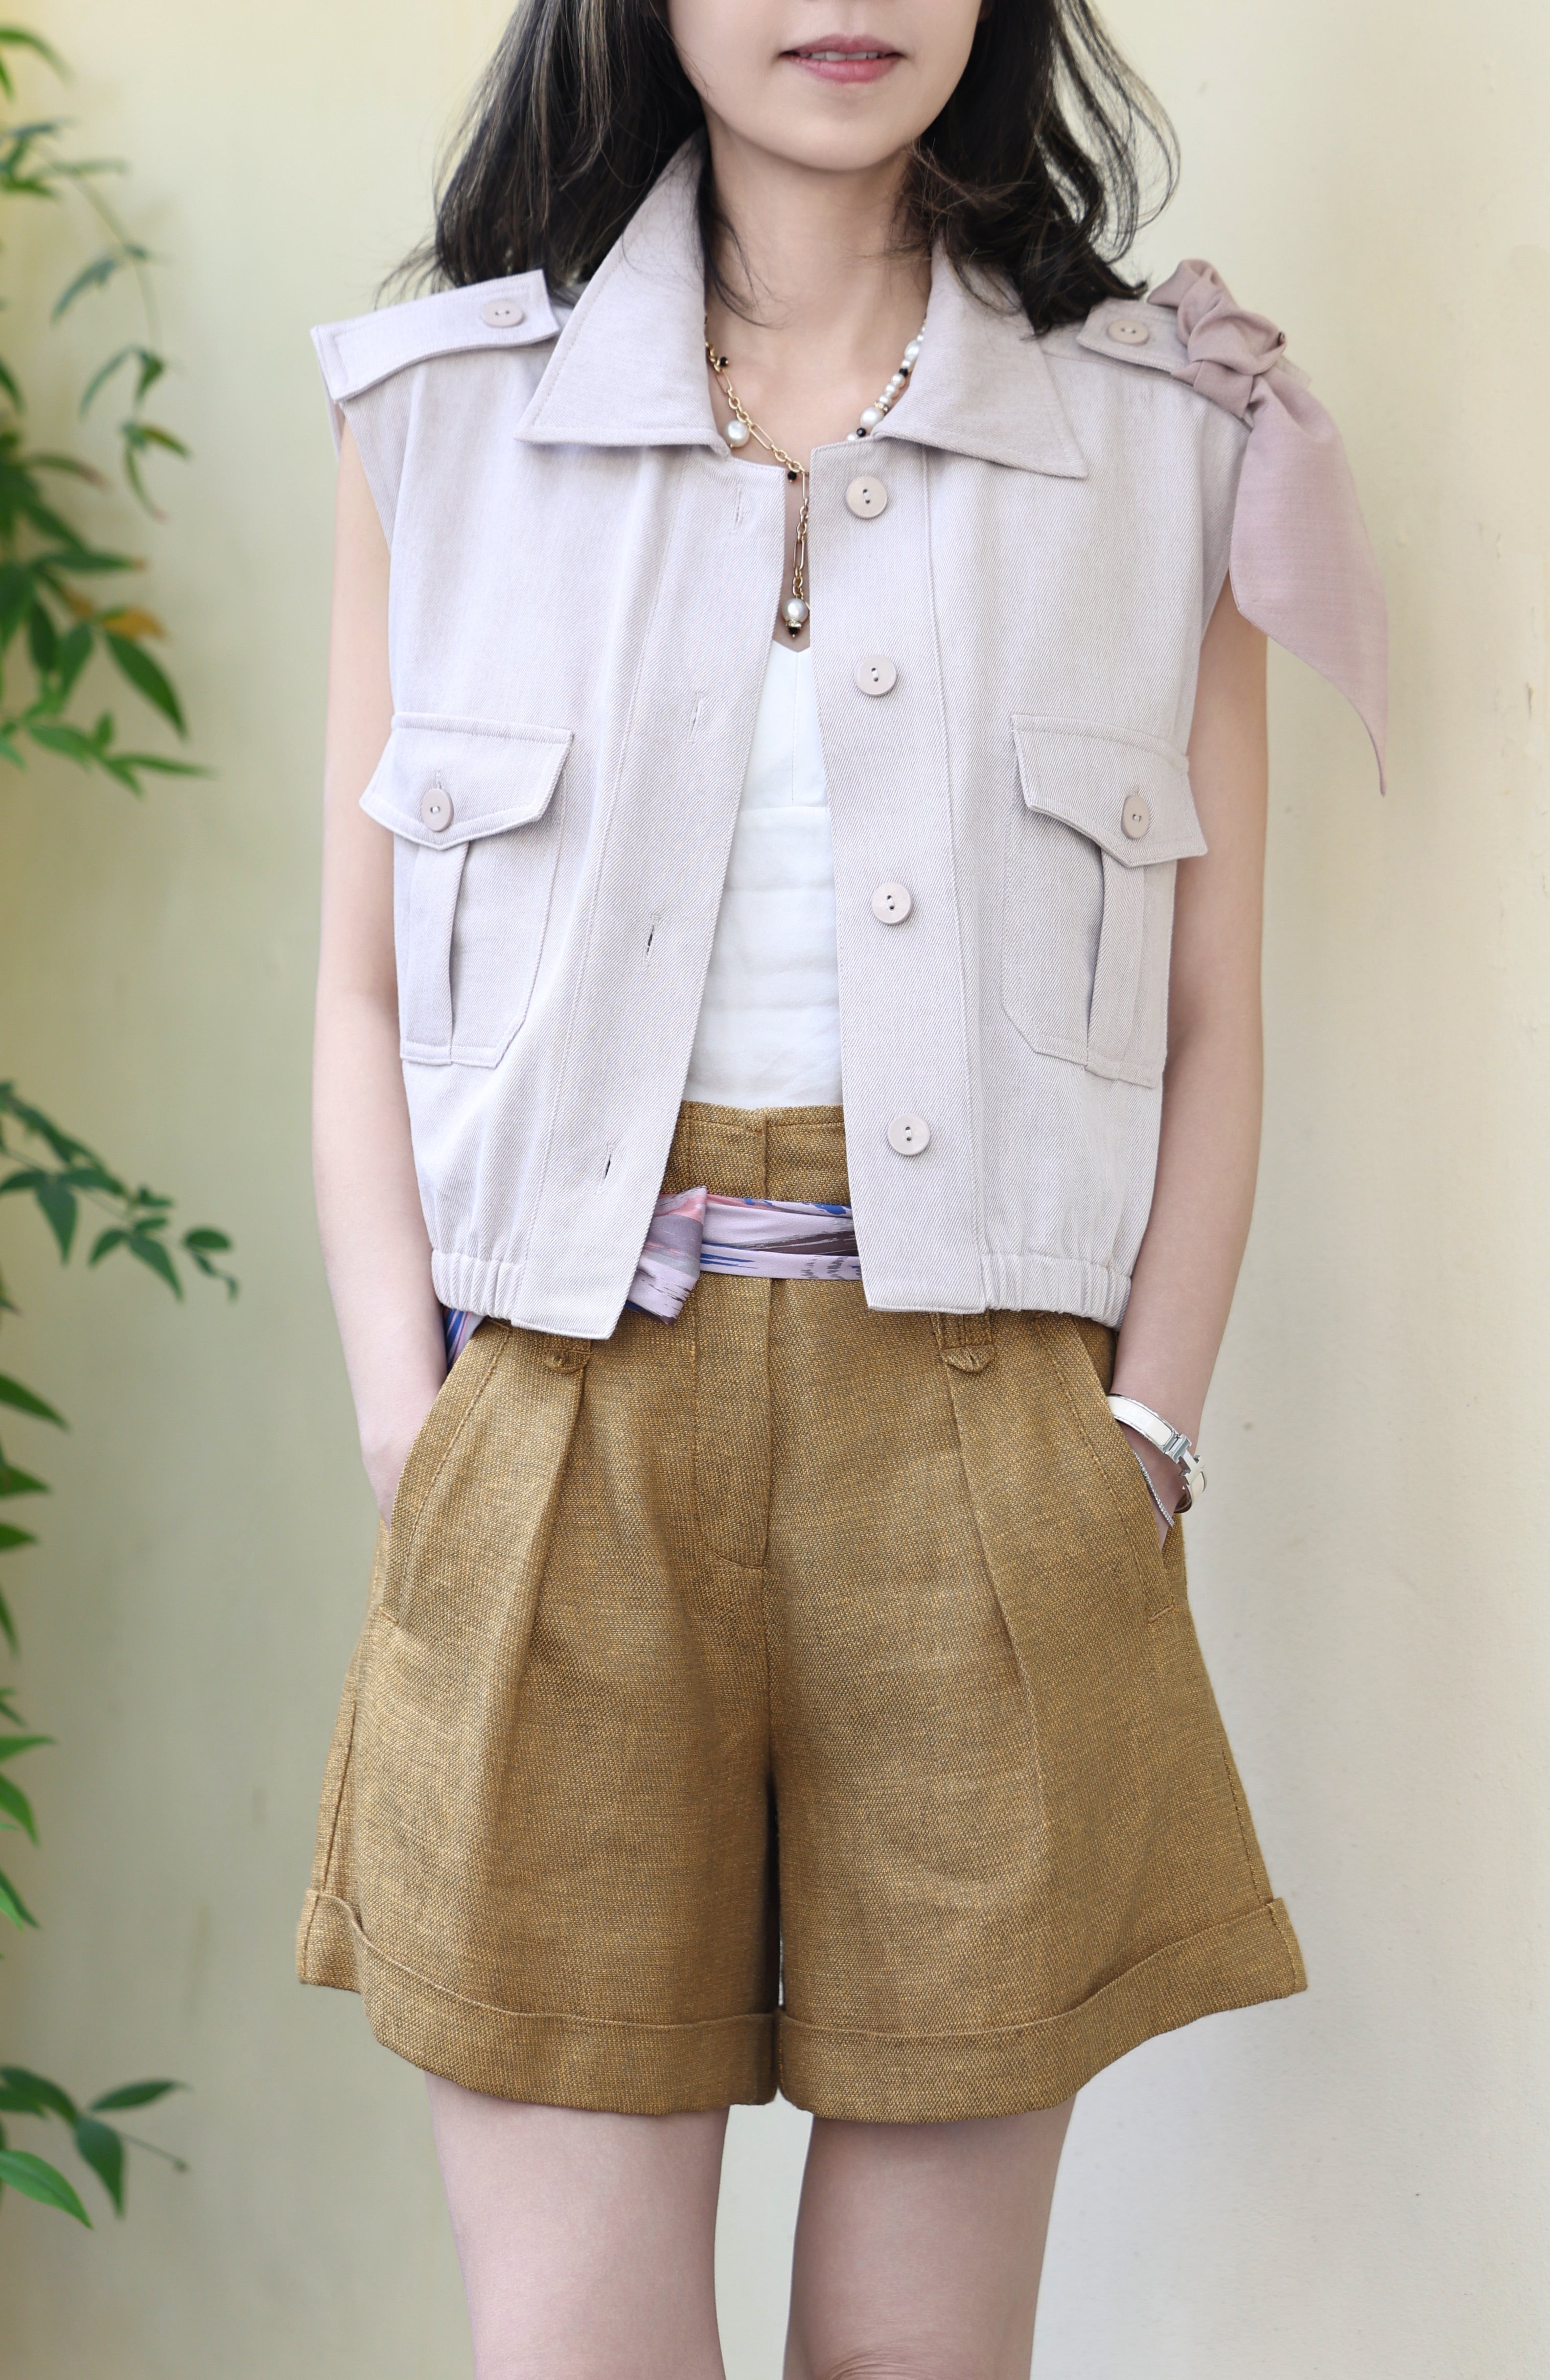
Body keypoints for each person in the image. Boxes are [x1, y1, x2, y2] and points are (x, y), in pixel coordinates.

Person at [300, 2, 1386, 2371]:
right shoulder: (441, 418)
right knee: (580, 2351)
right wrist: (416, 1420)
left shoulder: (1165, 438)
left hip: (992, 1450)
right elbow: (363, 988)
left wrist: (1142, 1436)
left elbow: (1213, 1017)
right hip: (560, 1425)